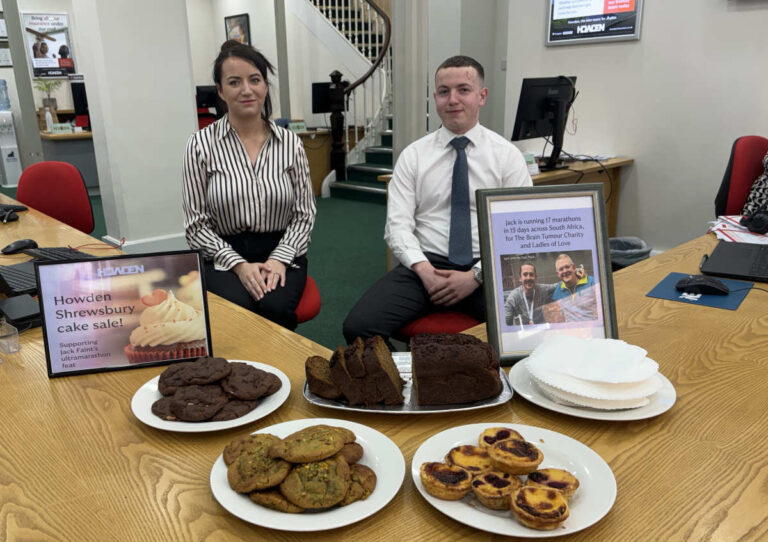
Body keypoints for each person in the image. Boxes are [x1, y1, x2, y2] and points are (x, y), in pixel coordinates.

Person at [343, 55, 532, 347]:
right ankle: (405, 375)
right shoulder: (414, 156)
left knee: (530, 330)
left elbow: (520, 230)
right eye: (444, 91)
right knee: (359, 328)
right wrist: (424, 271)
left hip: (487, 265)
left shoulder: (507, 157)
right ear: (435, 98)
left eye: (463, 90)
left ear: (481, 96)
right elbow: (397, 226)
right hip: (425, 264)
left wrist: (476, 276)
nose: (452, 99)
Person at [182, 40, 316, 330]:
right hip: (222, 254)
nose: (246, 90)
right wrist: (239, 265)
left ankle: (282, 361)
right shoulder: (200, 145)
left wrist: (279, 259)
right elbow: (195, 225)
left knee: (274, 306)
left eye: (255, 80)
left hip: (282, 250)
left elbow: (304, 214)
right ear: (220, 91)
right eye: (234, 82)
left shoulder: (290, 143)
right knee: (239, 311)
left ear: (265, 86)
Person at [551, 253, 598, 321]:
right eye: (561, 269)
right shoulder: (557, 293)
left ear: (573, 267)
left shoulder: (592, 282)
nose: (565, 271)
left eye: (567, 267)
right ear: (558, 274)